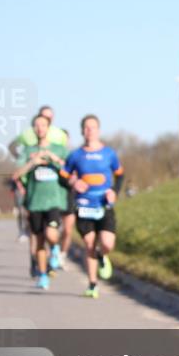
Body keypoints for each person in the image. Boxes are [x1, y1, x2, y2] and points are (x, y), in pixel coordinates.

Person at [62, 114, 124, 299]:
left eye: (93, 127)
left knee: (107, 243)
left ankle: (102, 255)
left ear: (99, 130)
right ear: (82, 131)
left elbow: (120, 175)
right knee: (89, 244)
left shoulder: (109, 154)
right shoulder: (75, 155)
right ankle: (92, 285)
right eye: (86, 128)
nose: (90, 131)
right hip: (84, 206)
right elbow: (63, 176)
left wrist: (114, 191)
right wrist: (74, 182)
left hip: (104, 205)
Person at [9, 105, 73, 270]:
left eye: (43, 125)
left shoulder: (59, 149)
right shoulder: (28, 150)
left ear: (49, 127)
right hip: (34, 201)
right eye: (37, 125)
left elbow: (71, 170)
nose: (40, 128)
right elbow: (15, 174)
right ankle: (42, 273)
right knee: (38, 239)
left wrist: (54, 159)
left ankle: (55, 249)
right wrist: (32, 163)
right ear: (33, 129)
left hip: (54, 200)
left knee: (51, 233)